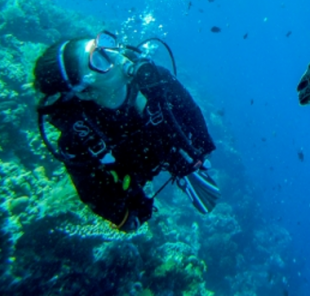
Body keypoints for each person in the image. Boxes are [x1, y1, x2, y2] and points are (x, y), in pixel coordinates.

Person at [33, 31, 219, 232]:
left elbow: (190, 110)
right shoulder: (77, 137)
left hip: (164, 140)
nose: (114, 54)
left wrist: (201, 147)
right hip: (129, 165)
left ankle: (178, 163)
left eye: (105, 46)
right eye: (98, 58)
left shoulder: (156, 80)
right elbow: (91, 192)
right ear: (85, 91)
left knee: (175, 141)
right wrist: (126, 217)